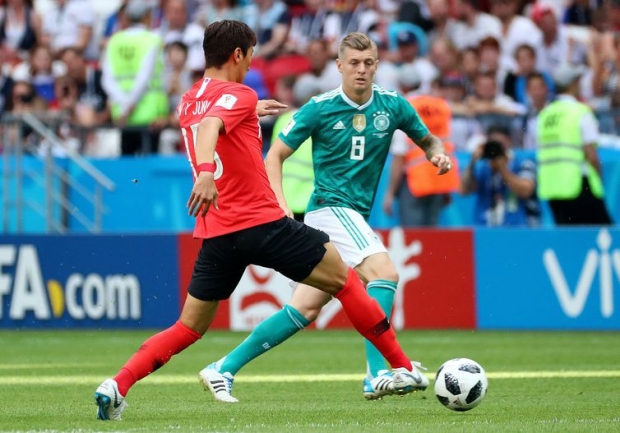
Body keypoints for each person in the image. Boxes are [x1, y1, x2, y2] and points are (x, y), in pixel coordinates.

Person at [93, 20, 432, 421]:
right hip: (261, 222)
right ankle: (401, 368)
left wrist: (249, 111)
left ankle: (116, 385)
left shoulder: (188, 99)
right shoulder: (237, 93)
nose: (252, 62)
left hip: (217, 232)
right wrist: (205, 170)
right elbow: (211, 126)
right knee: (347, 281)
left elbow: (208, 116)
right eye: (251, 53)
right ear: (238, 55)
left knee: (188, 327)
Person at [199, 31, 452, 403]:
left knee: (305, 307)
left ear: (377, 66)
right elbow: (274, 155)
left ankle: (222, 368)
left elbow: (428, 139)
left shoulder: (393, 105)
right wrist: (281, 204)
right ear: (339, 66)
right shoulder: (319, 107)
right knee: (384, 274)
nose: (361, 71)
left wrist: (437, 154)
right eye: (353, 63)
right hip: (330, 209)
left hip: (352, 214)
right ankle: (378, 373)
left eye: (368, 63)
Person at [536, 63, 613, 225]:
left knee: (568, 240)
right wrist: (600, 179)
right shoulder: (580, 112)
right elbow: (591, 155)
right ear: (573, 84)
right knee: (604, 233)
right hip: (578, 185)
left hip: (552, 187)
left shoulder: (544, 115)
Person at [101, 0, 169, 155]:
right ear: (146, 16)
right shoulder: (152, 39)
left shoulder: (114, 40)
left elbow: (107, 79)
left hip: (122, 114)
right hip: (149, 113)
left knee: (128, 165)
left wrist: (124, 107)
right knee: (149, 166)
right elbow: (144, 77)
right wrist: (129, 105)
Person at [384, 90, 460, 227]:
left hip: (415, 181)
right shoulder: (441, 106)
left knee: (414, 237)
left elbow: (399, 157)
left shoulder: (405, 107)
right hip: (439, 180)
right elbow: (448, 144)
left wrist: (390, 193)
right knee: (431, 236)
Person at [461, 125, 541, 227]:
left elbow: (525, 190)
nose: (496, 149)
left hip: (519, 227)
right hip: (486, 227)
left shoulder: (522, 163)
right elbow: (463, 190)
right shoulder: (483, 166)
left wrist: (502, 169)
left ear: (509, 142)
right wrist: (472, 162)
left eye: (500, 144)